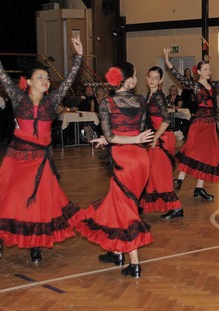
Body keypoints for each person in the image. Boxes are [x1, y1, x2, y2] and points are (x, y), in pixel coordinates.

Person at [0, 26, 83, 263]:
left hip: (41, 161)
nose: (45, 81)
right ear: (29, 82)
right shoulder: (18, 98)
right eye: (40, 77)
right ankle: (0, 236)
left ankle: (35, 245)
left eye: (46, 78)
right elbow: (1, 72)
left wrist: (78, 57)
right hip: (17, 159)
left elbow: (68, 81)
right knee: (10, 198)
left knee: (38, 203)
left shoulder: (52, 100)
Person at [75, 63, 155, 278]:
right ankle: (117, 251)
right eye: (136, 75)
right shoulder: (140, 100)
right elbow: (131, 130)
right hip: (140, 158)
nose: (137, 78)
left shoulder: (106, 102)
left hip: (124, 158)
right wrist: (131, 139)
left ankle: (135, 263)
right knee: (119, 202)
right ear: (129, 80)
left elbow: (113, 136)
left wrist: (124, 139)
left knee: (125, 208)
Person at [163, 48, 219, 201]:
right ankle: (180, 179)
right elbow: (178, 76)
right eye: (206, 69)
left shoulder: (213, 85)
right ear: (200, 72)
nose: (209, 71)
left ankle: (199, 188)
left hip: (210, 125)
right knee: (191, 148)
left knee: (207, 155)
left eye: (210, 69)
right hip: (199, 123)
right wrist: (167, 60)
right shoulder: (196, 85)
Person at [139, 66, 183, 220]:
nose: (152, 80)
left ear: (161, 80)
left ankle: (176, 207)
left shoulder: (158, 96)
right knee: (150, 172)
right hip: (156, 137)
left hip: (162, 138)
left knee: (160, 175)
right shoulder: (150, 94)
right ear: (146, 77)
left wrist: (156, 138)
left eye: (155, 78)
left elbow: (166, 120)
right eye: (150, 76)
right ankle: (143, 204)